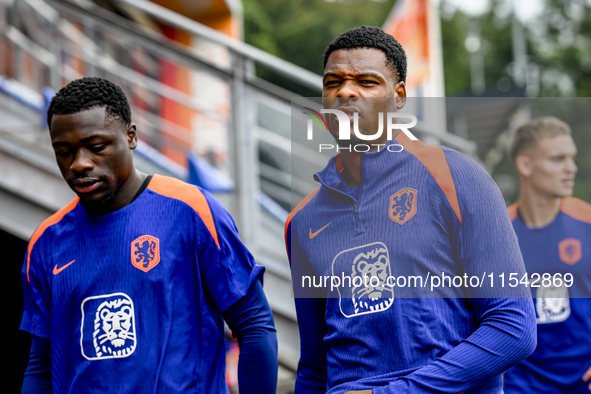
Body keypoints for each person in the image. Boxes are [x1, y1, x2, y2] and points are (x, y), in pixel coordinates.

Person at [285, 26, 537, 394]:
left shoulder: (456, 176)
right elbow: (314, 370)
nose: (346, 92)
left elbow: (514, 328)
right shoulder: (303, 220)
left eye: (367, 82)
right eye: (332, 82)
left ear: (399, 95)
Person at [20, 77, 278, 393]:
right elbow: (42, 365)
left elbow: (254, 325)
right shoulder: (46, 242)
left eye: (97, 147)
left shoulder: (190, 210)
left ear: (131, 137)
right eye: (64, 151)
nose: (80, 164)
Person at [503, 117, 591, 393]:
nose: (571, 168)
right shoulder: (497, 233)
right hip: (521, 384)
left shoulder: (587, 221)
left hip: (583, 381)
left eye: (572, 158)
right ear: (525, 165)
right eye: (558, 159)